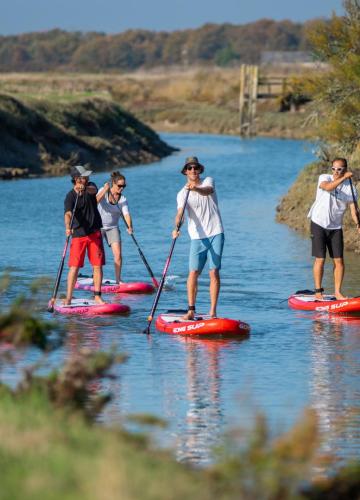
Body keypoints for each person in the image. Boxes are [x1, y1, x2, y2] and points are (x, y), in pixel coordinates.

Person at [172, 156, 225, 320]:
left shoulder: (208, 181)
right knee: (193, 272)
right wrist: (177, 225)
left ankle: (213, 312)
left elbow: (207, 191)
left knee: (213, 272)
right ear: (185, 172)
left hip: (216, 232)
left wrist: (195, 189)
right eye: (189, 168)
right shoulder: (182, 194)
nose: (193, 170)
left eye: (195, 168)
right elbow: (180, 213)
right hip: (197, 237)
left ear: (200, 170)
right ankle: (191, 310)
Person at [308, 157, 360, 300]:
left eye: (340, 169)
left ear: (345, 169)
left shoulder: (351, 189)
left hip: (336, 227)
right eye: (334, 169)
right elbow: (328, 187)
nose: (336, 171)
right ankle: (318, 292)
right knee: (321, 259)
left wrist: (357, 223)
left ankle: (337, 292)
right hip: (318, 223)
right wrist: (343, 178)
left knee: (339, 261)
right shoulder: (324, 178)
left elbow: (353, 209)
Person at [64, 165, 105, 305]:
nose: (88, 178)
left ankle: (97, 296)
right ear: (77, 179)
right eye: (84, 177)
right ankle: (69, 297)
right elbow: (68, 213)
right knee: (74, 267)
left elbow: (94, 190)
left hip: (94, 233)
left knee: (97, 266)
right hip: (78, 235)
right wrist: (67, 227)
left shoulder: (90, 187)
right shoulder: (70, 196)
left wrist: (85, 188)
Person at [96, 171, 133, 283]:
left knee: (118, 255)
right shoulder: (103, 191)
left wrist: (130, 227)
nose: (122, 188)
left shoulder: (122, 199)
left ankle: (118, 280)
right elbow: (94, 201)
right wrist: (104, 190)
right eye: (119, 186)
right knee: (98, 257)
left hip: (113, 228)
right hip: (98, 227)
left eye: (124, 186)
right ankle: (97, 279)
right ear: (113, 183)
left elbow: (126, 214)